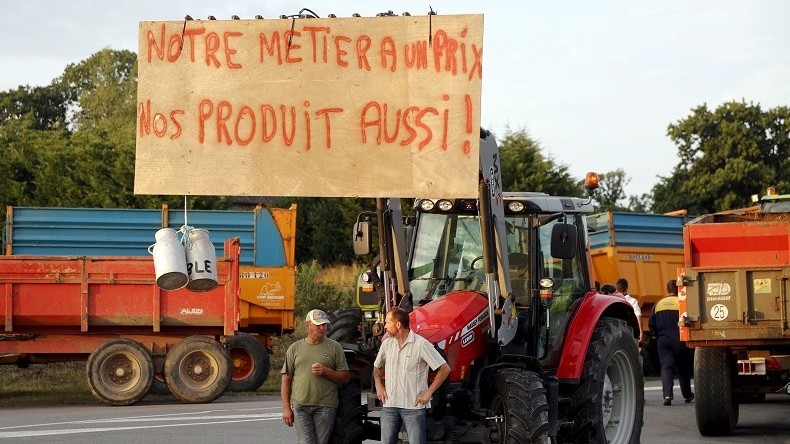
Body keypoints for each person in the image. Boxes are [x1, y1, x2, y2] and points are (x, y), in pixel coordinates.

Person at [374, 306, 451, 444]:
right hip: (389, 406)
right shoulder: (387, 344)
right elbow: (376, 367)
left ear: (398, 324)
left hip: (413, 409)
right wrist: (379, 386)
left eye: (387, 322)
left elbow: (444, 369)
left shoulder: (421, 345)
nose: (384, 326)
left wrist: (429, 392)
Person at [281, 309, 350, 444]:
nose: (322, 328)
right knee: (307, 442)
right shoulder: (295, 348)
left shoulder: (335, 347)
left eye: (324, 325)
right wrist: (286, 408)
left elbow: (345, 376)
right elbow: (286, 378)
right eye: (318, 325)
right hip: (300, 405)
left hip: (326, 405)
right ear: (308, 326)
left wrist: (326, 371)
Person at [649, 280, 693, 406]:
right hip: (681, 339)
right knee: (683, 368)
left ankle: (667, 395)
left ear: (667, 290)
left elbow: (651, 324)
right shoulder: (683, 303)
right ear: (679, 289)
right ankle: (687, 395)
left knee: (666, 368)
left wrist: (656, 336)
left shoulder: (658, 304)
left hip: (664, 340)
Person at [615, 278, 642, 342]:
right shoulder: (633, 301)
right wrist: (640, 332)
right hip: (629, 332)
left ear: (616, 289)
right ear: (627, 289)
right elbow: (638, 315)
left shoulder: (612, 300)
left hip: (615, 332)